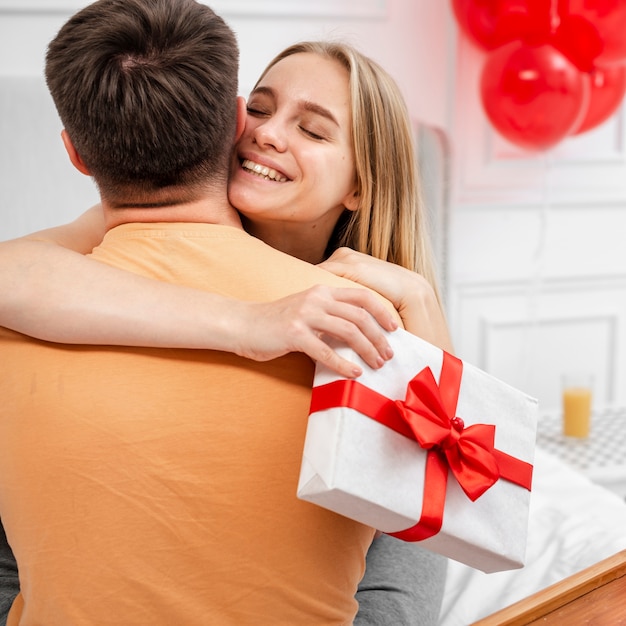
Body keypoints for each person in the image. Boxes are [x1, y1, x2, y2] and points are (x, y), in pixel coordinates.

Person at [0, 14, 450, 626]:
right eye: (262, 111)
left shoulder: (376, 329)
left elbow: (424, 537)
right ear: (232, 119)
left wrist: (422, 310)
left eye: (313, 130)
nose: (268, 135)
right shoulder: (76, 272)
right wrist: (247, 323)